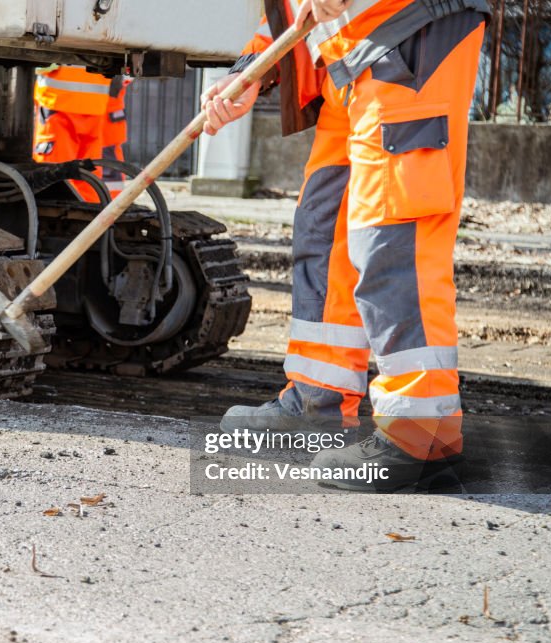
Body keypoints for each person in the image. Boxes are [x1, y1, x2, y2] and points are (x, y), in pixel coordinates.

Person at [204, 0, 490, 490]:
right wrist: (254, 67)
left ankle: (419, 436)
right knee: (325, 229)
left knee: (393, 232)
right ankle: (317, 406)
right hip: (348, 57)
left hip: (410, 31)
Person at [33, 64, 131, 201]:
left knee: (53, 175)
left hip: (59, 105)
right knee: (88, 176)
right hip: (95, 106)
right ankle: (94, 215)